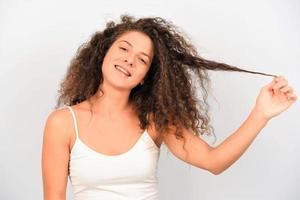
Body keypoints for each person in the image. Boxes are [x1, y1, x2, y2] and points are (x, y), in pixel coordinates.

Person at [41, 14, 297, 200]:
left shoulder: (154, 120)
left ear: (144, 76)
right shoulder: (63, 123)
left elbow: (213, 161)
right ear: (103, 54)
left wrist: (261, 113)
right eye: (123, 48)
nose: (129, 60)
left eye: (142, 60)